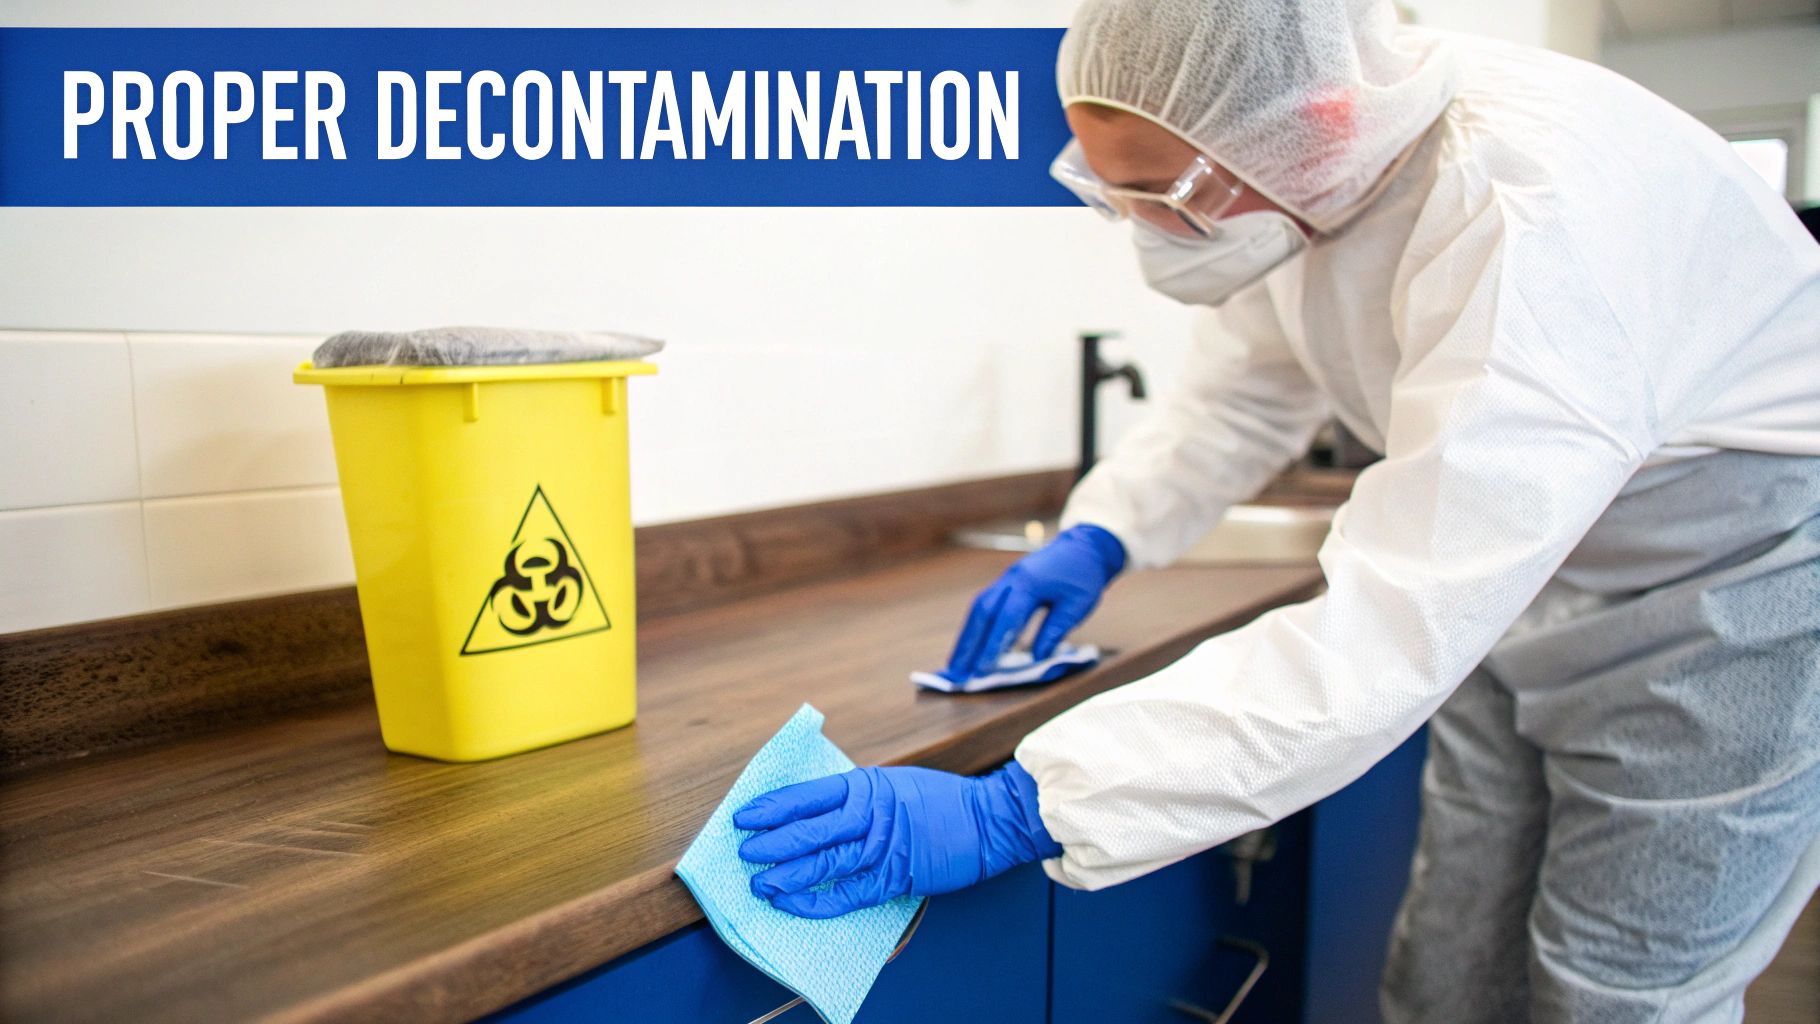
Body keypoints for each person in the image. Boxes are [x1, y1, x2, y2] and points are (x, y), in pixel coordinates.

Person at [733, 1, 1820, 1019]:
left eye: (1165, 196)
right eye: (1120, 197)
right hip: (1525, 577)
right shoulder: (1303, 179)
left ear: (1321, 121)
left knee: (1616, 983)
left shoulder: (1532, 214)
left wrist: (1020, 806)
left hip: (1719, 588)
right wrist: (1102, 530)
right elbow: (1245, 391)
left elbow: (1379, 634)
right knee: (1451, 954)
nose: (1149, 232)